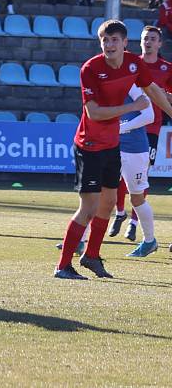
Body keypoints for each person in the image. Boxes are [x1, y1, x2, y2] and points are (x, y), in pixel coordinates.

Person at [54, 19, 172, 280]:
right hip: (90, 145)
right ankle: (62, 266)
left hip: (112, 145)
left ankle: (92, 257)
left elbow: (151, 88)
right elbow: (93, 112)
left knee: (108, 204)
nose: (109, 45)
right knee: (89, 207)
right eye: (105, 40)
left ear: (124, 43)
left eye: (114, 40)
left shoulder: (133, 63)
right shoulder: (90, 69)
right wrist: (131, 108)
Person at [109, 26, 172, 241]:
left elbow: (169, 97)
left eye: (153, 39)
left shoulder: (167, 68)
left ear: (160, 44)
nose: (148, 42)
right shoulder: (131, 64)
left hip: (150, 130)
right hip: (126, 125)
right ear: (140, 41)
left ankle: (135, 223)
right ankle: (119, 212)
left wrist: (166, 96)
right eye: (145, 38)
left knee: (141, 178)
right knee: (115, 173)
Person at [113, 84, 158, 257]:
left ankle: (149, 241)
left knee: (137, 197)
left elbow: (149, 116)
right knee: (98, 193)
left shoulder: (132, 84)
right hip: (111, 146)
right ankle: (79, 240)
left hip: (135, 150)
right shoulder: (102, 78)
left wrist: (121, 129)